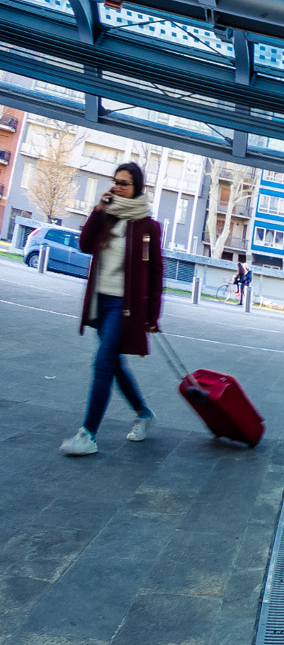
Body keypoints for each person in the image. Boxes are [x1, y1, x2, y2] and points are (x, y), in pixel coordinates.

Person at [62, 162, 162, 456]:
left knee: (103, 364)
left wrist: (152, 316)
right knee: (115, 365)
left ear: (137, 189)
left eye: (124, 183)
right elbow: (85, 245)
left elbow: (156, 273)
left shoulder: (148, 226)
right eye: (115, 181)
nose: (117, 187)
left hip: (124, 306)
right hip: (101, 302)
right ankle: (143, 413)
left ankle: (88, 435)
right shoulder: (108, 216)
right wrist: (97, 210)